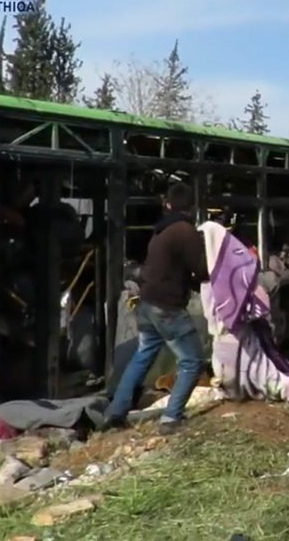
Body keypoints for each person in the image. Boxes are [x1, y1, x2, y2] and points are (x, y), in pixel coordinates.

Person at [107, 182, 209, 435]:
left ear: (169, 204)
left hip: (146, 303)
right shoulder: (185, 231)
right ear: (192, 206)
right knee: (193, 361)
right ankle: (171, 418)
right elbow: (203, 270)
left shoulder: (160, 230)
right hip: (167, 307)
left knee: (143, 356)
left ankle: (116, 413)